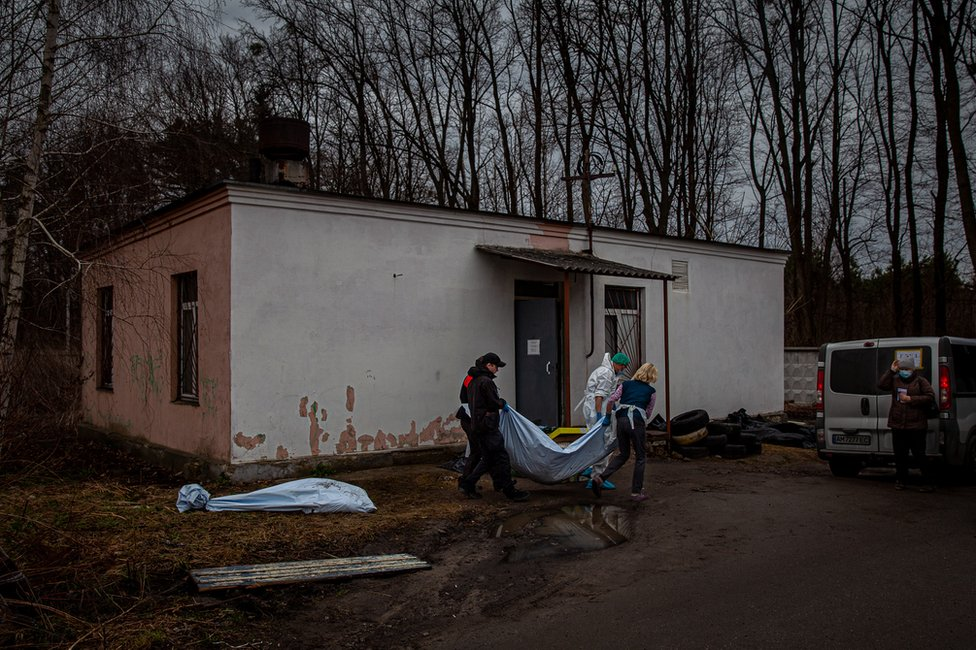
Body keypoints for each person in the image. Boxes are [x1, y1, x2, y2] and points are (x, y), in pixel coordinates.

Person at [458, 353, 529, 502]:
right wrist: (502, 403)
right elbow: (493, 402)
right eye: (496, 366)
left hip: (477, 425)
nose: (497, 370)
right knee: (502, 457)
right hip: (487, 425)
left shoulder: (473, 380)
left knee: (488, 459)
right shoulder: (486, 381)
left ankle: (469, 483)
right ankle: (510, 490)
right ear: (489, 365)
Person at [592, 362, 658, 502]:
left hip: (621, 421)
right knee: (640, 457)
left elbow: (611, 400)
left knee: (624, 454)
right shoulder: (651, 392)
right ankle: (636, 492)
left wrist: (608, 417)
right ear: (652, 376)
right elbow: (648, 412)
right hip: (636, 422)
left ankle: (600, 478)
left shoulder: (626, 384)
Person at [878, 357, 936, 492]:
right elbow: (881, 385)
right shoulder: (895, 380)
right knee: (900, 455)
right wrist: (891, 371)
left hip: (916, 425)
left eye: (907, 369)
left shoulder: (920, 381)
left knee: (919, 455)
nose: (904, 371)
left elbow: (930, 396)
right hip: (898, 424)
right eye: (902, 369)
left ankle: (928, 482)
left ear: (913, 370)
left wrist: (911, 399)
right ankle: (901, 480)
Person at [580, 352, 630, 490]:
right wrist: (599, 416)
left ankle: (591, 468)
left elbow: (606, 395)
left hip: (595, 408)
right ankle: (597, 476)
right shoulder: (606, 374)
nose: (623, 369)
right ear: (617, 364)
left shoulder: (606, 371)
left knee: (596, 440)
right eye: (623, 366)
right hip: (597, 409)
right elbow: (599, 396)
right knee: (602, 441)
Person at [455, 361, 483, 496]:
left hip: (469, 417)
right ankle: (466, 482)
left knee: (477, 451)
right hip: (470, 418)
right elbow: (471, 398)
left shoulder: (471, 377)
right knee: (477, 451)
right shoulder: (474, 379)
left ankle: (467, 481)